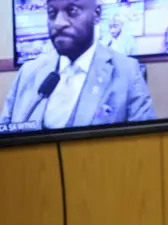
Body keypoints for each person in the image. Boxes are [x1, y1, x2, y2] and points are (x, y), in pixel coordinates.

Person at [0, 0, 155, 130]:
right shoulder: (28, 72)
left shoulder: (127, 72)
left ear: (96, 14)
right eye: (52, 12)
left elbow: (144, 149)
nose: (58, 23)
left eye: (72, 10)